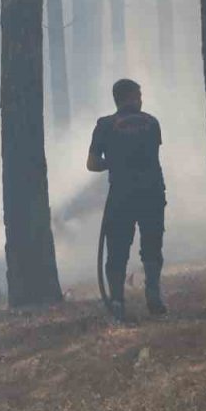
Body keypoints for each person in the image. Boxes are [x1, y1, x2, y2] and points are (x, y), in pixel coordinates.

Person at [87, 79, 167, 320]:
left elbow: (92, 164)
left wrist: (112, 163)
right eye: (139, 95)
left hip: (121, 195)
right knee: (152, 245)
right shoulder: (152, 122)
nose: (141, 99)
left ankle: (118, 301)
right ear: (130, 96)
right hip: (152, 192)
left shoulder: (105, 125)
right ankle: (153, 296)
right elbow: (150, 154)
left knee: (118, 249)